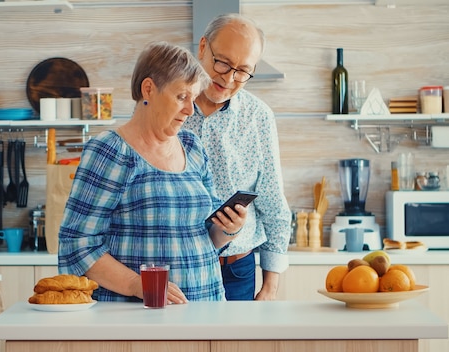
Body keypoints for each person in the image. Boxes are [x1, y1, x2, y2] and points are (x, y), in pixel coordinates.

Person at [58, 41, 248, 304]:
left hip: (206, 304)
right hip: (139, 316)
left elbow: (206, 235)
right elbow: (77, 244)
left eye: (193, 98)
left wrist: (230, 229)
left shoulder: (192, 146)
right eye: (181, 96)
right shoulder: (110, 151)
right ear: (149, 88)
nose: (190, 110)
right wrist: (139, 285)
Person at [183, 14, 292, 301]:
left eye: (243, 71)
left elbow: (273, 203)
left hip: (236, 271)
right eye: (222, 63)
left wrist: (269, 287)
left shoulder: (258, 117)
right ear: (203, 47)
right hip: (176, 270)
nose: (229, 79)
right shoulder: (168, 106)